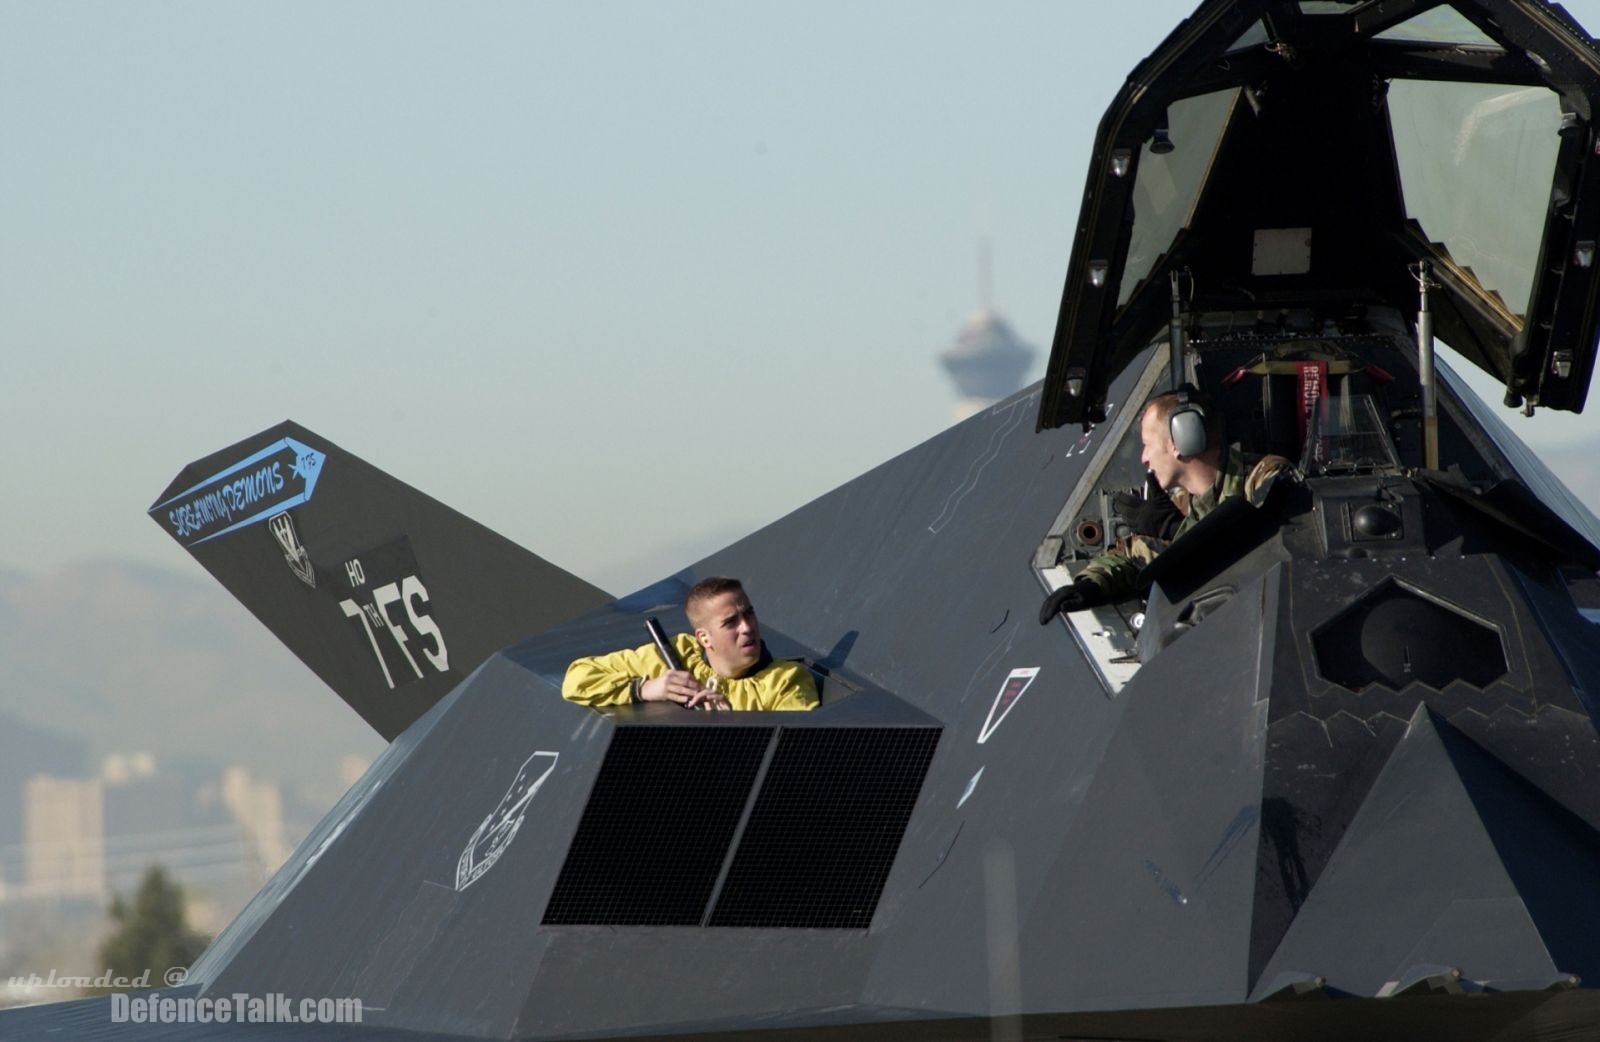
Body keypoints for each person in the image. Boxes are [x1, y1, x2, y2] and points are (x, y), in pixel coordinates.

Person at [1040, 389, 1294, 620]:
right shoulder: (1185, 503)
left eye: (1148, 445)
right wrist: (1090, 586)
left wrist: (1176, 532)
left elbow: (1258, 547)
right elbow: (1132, 555)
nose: (1143, 457)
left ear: (1181, 441)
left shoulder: (1268, 479)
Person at [563, 577, 819, 711]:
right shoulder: (676, 655)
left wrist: (738, 724)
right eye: (731, 622)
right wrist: (644, 689)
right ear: (703, 638)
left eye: (749, 613)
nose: (747, 627)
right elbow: (576, 678)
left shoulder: (786, 681)